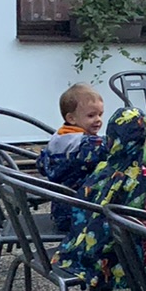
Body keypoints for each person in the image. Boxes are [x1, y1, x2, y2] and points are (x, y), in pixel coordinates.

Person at [56, 108, 146, 291]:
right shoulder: (142, 178)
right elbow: (142, 228)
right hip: (113, 263)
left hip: (78, 251)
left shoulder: (102, 168)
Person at [37, 83, 108, 235]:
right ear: (71, 118)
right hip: (81, 215)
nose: (98, 120)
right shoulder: (86, 145)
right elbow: (110, 150)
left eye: (100, 114)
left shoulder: (59, 137)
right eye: (91, 115)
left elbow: (41, 166)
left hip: (60, 210)